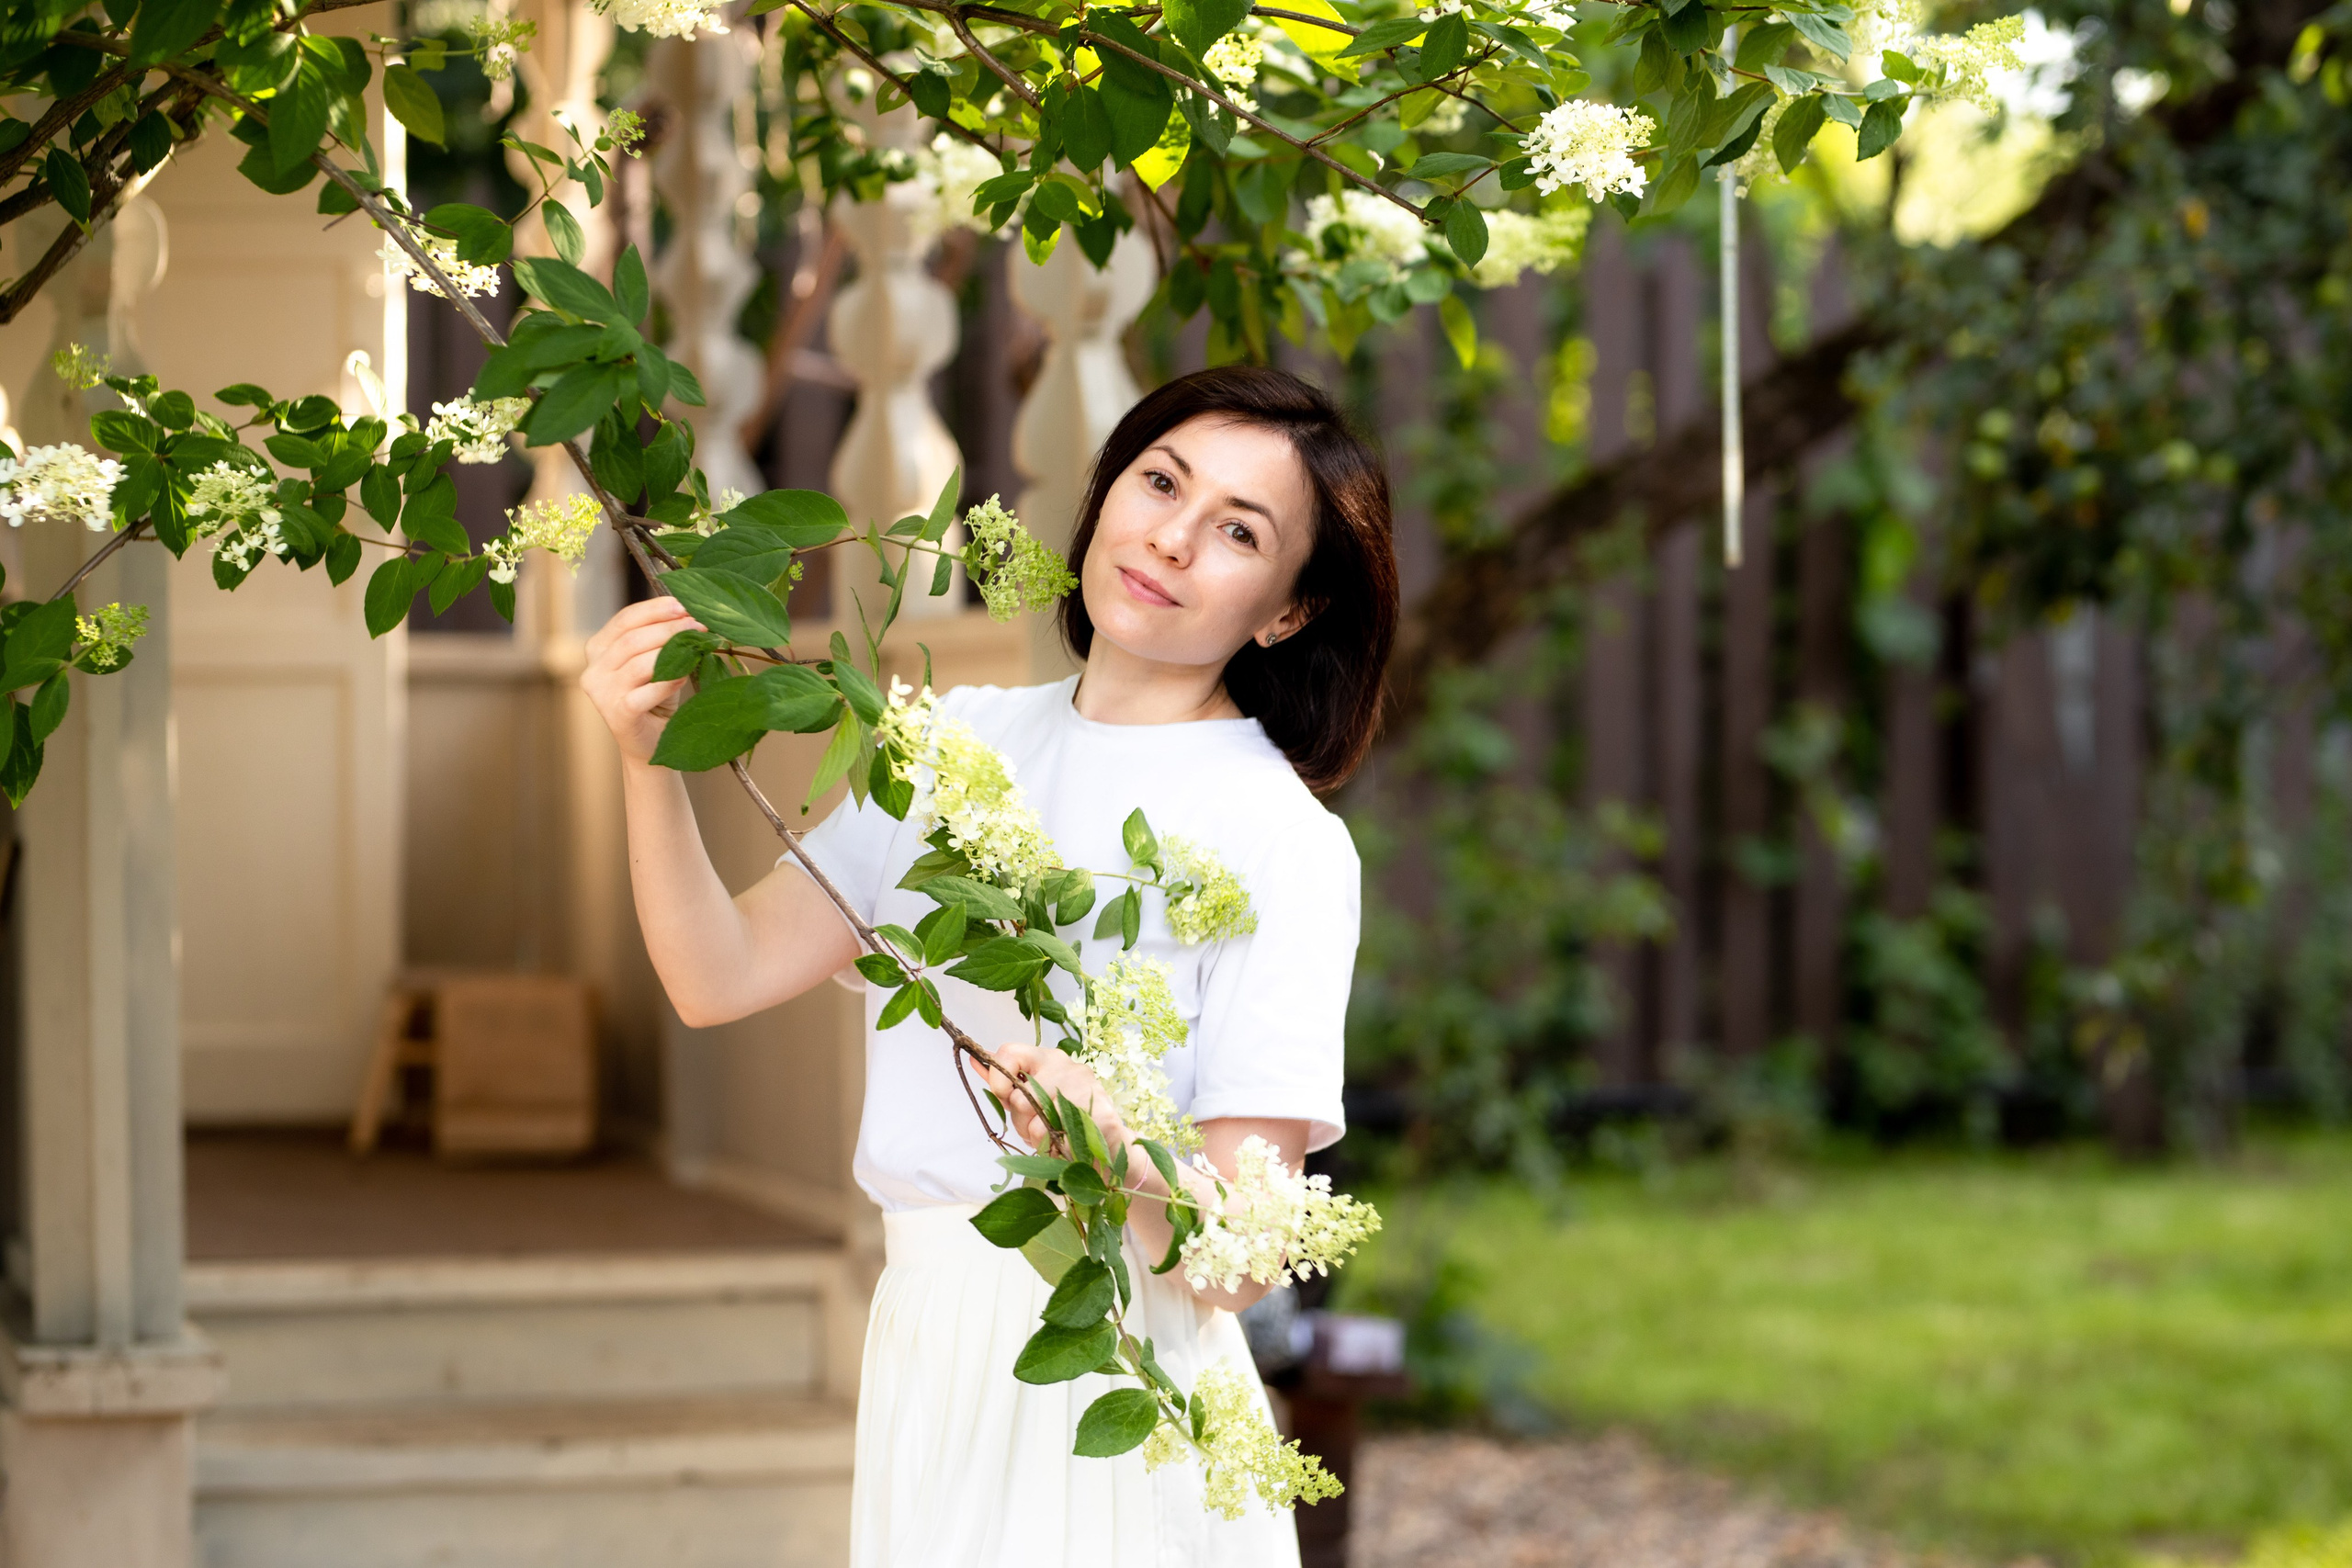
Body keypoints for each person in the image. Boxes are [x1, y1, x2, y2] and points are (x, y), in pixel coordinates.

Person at [579, 365, 1399, 1566]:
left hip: (1123, 1381)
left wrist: (1114, 1146)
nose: (1173, 538)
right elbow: (718, 975)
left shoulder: (1282, 839)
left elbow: (1246, 1256)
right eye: (1160, 482)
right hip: (930, 1351)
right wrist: (644, 755)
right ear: (1106, 493)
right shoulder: (953, 746)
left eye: (1239, 531)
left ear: (1287, 611)